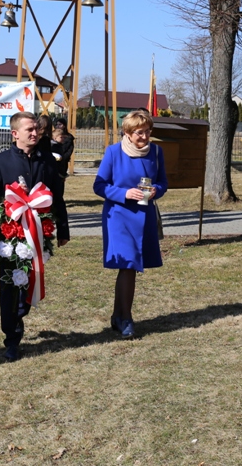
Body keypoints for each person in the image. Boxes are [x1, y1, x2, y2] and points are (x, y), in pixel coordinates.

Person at [0, 111, 70, 361]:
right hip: (11, 234)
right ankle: (11, 338)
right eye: (29, 129)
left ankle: (20, 316)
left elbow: (57, 196)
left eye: (36, 129)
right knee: (10, 285)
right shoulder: (0, 161)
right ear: (15, 134)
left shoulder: (47, 160)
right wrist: (12, 197)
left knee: (30, 281)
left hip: (39, 232)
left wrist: (63, 228)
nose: (35, 133)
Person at [93, 110, 167, 339]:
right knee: (128, 264)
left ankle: (118, 316)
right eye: (139, 132)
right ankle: (126, 318)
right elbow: (99, 186)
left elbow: (163, 182)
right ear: (127, 132)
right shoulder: (113, 152)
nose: (144, 136)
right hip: (118, 216)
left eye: (147, 131)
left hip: (145, 216)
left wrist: (156, 191)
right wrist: (124, 193)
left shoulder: (156, 152)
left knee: (130, 267)